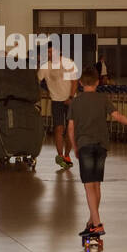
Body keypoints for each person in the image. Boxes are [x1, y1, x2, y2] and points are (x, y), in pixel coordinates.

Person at [67, 66, 127, 240]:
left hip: (84, 146)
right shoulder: (103, 99)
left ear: (80, 83)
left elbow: (71, 128)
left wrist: (74, 147)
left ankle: (98, 224)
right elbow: (117, 116)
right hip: (101, 147)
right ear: (98, 82)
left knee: (88, 186)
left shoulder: (76, 102)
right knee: (97, 185)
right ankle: (91, 223)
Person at [39, 41, 79, 169]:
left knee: (70, 130)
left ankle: (67, 154)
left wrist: (71, 97)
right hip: (56, 101)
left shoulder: (68, 63)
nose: (50, 54)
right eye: (48, 52)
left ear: (59, 51)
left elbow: (74, 82)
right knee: (58, 128)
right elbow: (36, 81)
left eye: (52, 51)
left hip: (71, 100)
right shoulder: (45, 67)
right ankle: (60, 155)